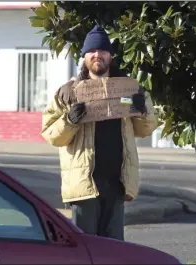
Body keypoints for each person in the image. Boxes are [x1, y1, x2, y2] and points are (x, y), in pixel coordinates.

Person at [41, 25, 158, 241]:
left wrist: (142, 110)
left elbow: (146, 129)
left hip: (117, 184)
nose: (98, 55)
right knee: (85, 249)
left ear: (110, 56)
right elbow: (51, 134)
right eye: (92, 51)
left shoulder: (129, 89)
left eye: (103, 50)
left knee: (113, 250)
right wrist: (70, 120)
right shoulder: (68, 93)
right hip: (84, 185)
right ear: (84, 56)